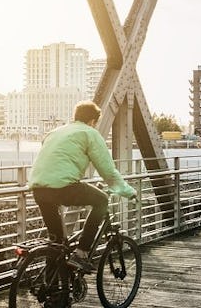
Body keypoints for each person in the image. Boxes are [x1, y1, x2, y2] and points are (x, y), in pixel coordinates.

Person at [29, 100, 136, 273]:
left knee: (57, 243)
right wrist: (127, 191)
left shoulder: (54, 132)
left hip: (38, 188)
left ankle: (52, 290)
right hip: (63, 187)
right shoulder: (90, 133)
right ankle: (81, 253)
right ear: (93, 121)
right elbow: (108, 171)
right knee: (101, 200)